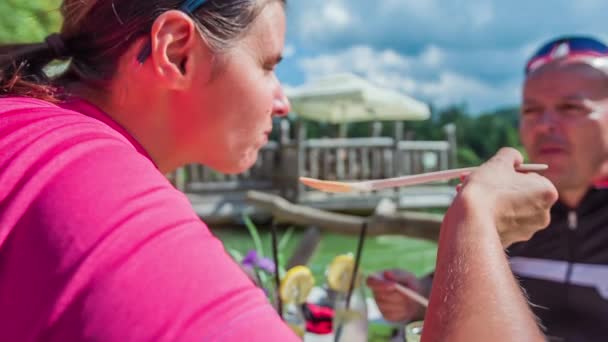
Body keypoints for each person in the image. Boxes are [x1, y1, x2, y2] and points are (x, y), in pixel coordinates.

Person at [0, 1, 556, 340]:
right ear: (178, 52)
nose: (282, 100)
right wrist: (476, 224)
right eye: (268, 65)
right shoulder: (104, 195)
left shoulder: (36, 133)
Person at [368, 35, 608, 341]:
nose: (545, 124)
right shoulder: (515, 213)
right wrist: (415, 295)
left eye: (571, 107)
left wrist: (474, 216)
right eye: (531, 111)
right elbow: (451, 298)